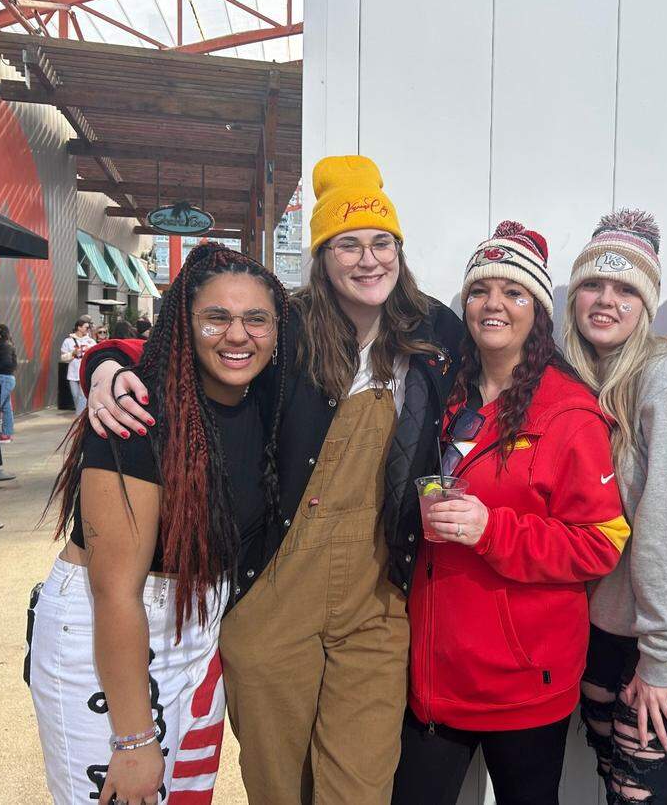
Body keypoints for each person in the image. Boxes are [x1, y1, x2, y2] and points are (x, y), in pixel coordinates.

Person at [82, 155, 463, 805]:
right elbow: (198, 350)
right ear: (322, 255)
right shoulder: (284, 324)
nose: (367, 260)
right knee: (280, 787)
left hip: (376, 603)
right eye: (348, 244)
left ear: (397, 249)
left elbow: (512, 370)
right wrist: (107, 363)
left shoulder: (435, 331)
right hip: (274, 594)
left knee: (361, 789)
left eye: (380, 243)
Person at [29, 243, 291, 805]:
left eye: (256, 319)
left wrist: (105, 357)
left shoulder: (263, 400)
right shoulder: (139, 412)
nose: (237, 335)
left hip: (197, 633)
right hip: (108, 632)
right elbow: (115, 591)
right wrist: (131, 738)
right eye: (216, 317)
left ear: (277, 328)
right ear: (184, 325)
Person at [392, 222, 629, 805]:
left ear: (538, 312)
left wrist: (490, 530)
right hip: (433, 677)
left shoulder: (569, 413)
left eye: (513, 292)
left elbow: (601, 543)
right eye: (479, 291)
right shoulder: (444, 391)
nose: (492, 304)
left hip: (523, 685)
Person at [563, 210, 667, 804]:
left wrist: (658, 658)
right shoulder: (582, 380)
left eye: (626, 290)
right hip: (604, 632)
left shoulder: (665, 385)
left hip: (660, 644)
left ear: (646, 307)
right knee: (610, 784)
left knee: (637, 798)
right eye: (593, 285)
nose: (606, 301)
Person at [60, 317, 95, 414]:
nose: (88, 330)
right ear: (79, 327)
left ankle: (79, 416)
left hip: (85, 371)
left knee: (82, 396)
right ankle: (82, 414)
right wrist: (73, 353)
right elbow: (63, 358)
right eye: (86, 327)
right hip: (73, 372)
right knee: (75, 395)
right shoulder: (68, 341)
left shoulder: (91, 341)